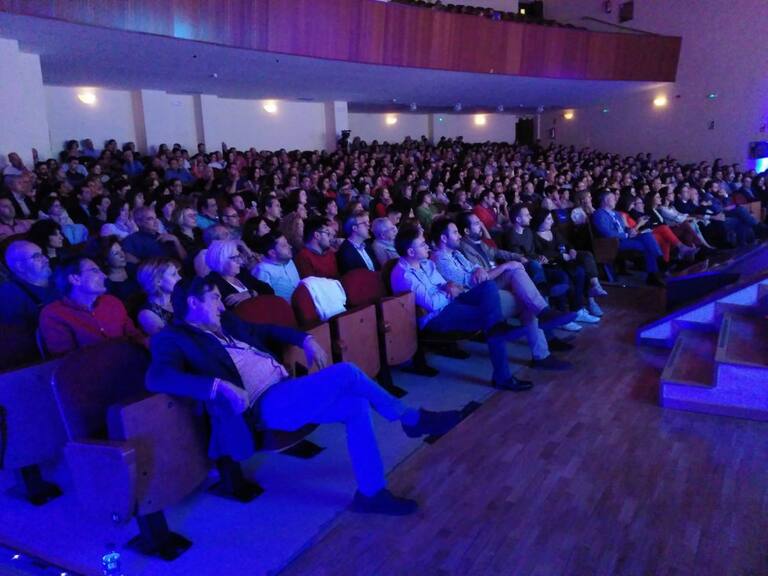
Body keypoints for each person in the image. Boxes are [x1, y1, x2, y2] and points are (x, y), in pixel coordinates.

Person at [146, 277, 461, 515]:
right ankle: (410, 418)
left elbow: (266, 331)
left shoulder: (226, 321)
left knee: (355, 405)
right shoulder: (173, 338)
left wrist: (305, 339)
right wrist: (218, 386)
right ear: (193, 303)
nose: (221, 304)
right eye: (214, 298)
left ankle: (371, 492)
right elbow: (156, 376)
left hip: (285, 390)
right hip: (262, 405)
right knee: (347, 372)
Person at [390, 225, 533, 391]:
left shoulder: (426, 264)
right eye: (422, 244)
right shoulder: (404, 276)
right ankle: (503, 375)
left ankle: (498, 330)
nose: (427, 246)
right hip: (436, 317)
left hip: (451, 303)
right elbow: (432, 304)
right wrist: (449, 291)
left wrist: (449, 286)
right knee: (490, 320)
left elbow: (444, 284)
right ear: (411, 252)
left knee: (488, 286)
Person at [430, 218, 574, 370]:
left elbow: (476, 269)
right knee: (527, 299)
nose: (459, 235)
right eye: (455, 232)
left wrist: (481, 269)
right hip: (475, 298)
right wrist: (504, 266)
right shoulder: (440, 259)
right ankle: (542, 346)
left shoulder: (456, 254)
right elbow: (473, 282)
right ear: (443, 238)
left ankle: (543, 314)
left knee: (516, 272)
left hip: (485, 287)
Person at [39, 256, 144, 357]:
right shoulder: (55, 314)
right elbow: (67, 359)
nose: (104, 276)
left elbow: (135, 336)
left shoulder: (112, 302)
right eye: (95, 271)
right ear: (75, 279)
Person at [591, 190, 665, 286]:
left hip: (625, 238)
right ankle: (657, 268)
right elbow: (606, 233)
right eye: (613, 198)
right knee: (647, 245)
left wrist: (630, 231)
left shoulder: (616, 214)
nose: (615, 200)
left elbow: (624, 228)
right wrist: (626, 235)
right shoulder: (599, 214)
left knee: (647, 235)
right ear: (605, 200)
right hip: (614, 242)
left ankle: (655, 270)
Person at [205, 239, 274, 308]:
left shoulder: (242, 273)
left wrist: (252, 293)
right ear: (220, 260)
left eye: (238, 256)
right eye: (234, 258)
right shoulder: (212, 283)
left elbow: (269, 290)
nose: (240, 261)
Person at [122, 206, 187, 263]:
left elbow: (185, 259)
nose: (156, 221)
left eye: (156, 218)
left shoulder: (167, 237)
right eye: (150, 219)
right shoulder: (131, 240)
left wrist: (176, 241)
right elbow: (129, 262)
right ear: (139, 222)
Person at [136, 257, 182, 336]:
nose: (180, 277)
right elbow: (168, 341)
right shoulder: (147, 315)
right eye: (174, 274)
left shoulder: (178, 295)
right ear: (157, 281)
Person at [251, 232, 300, 302]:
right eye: (284, 246)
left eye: (287, 243)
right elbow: (266, 300)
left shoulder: (289, 260)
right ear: (272, 253)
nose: (290, 246)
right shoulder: (262, 270)